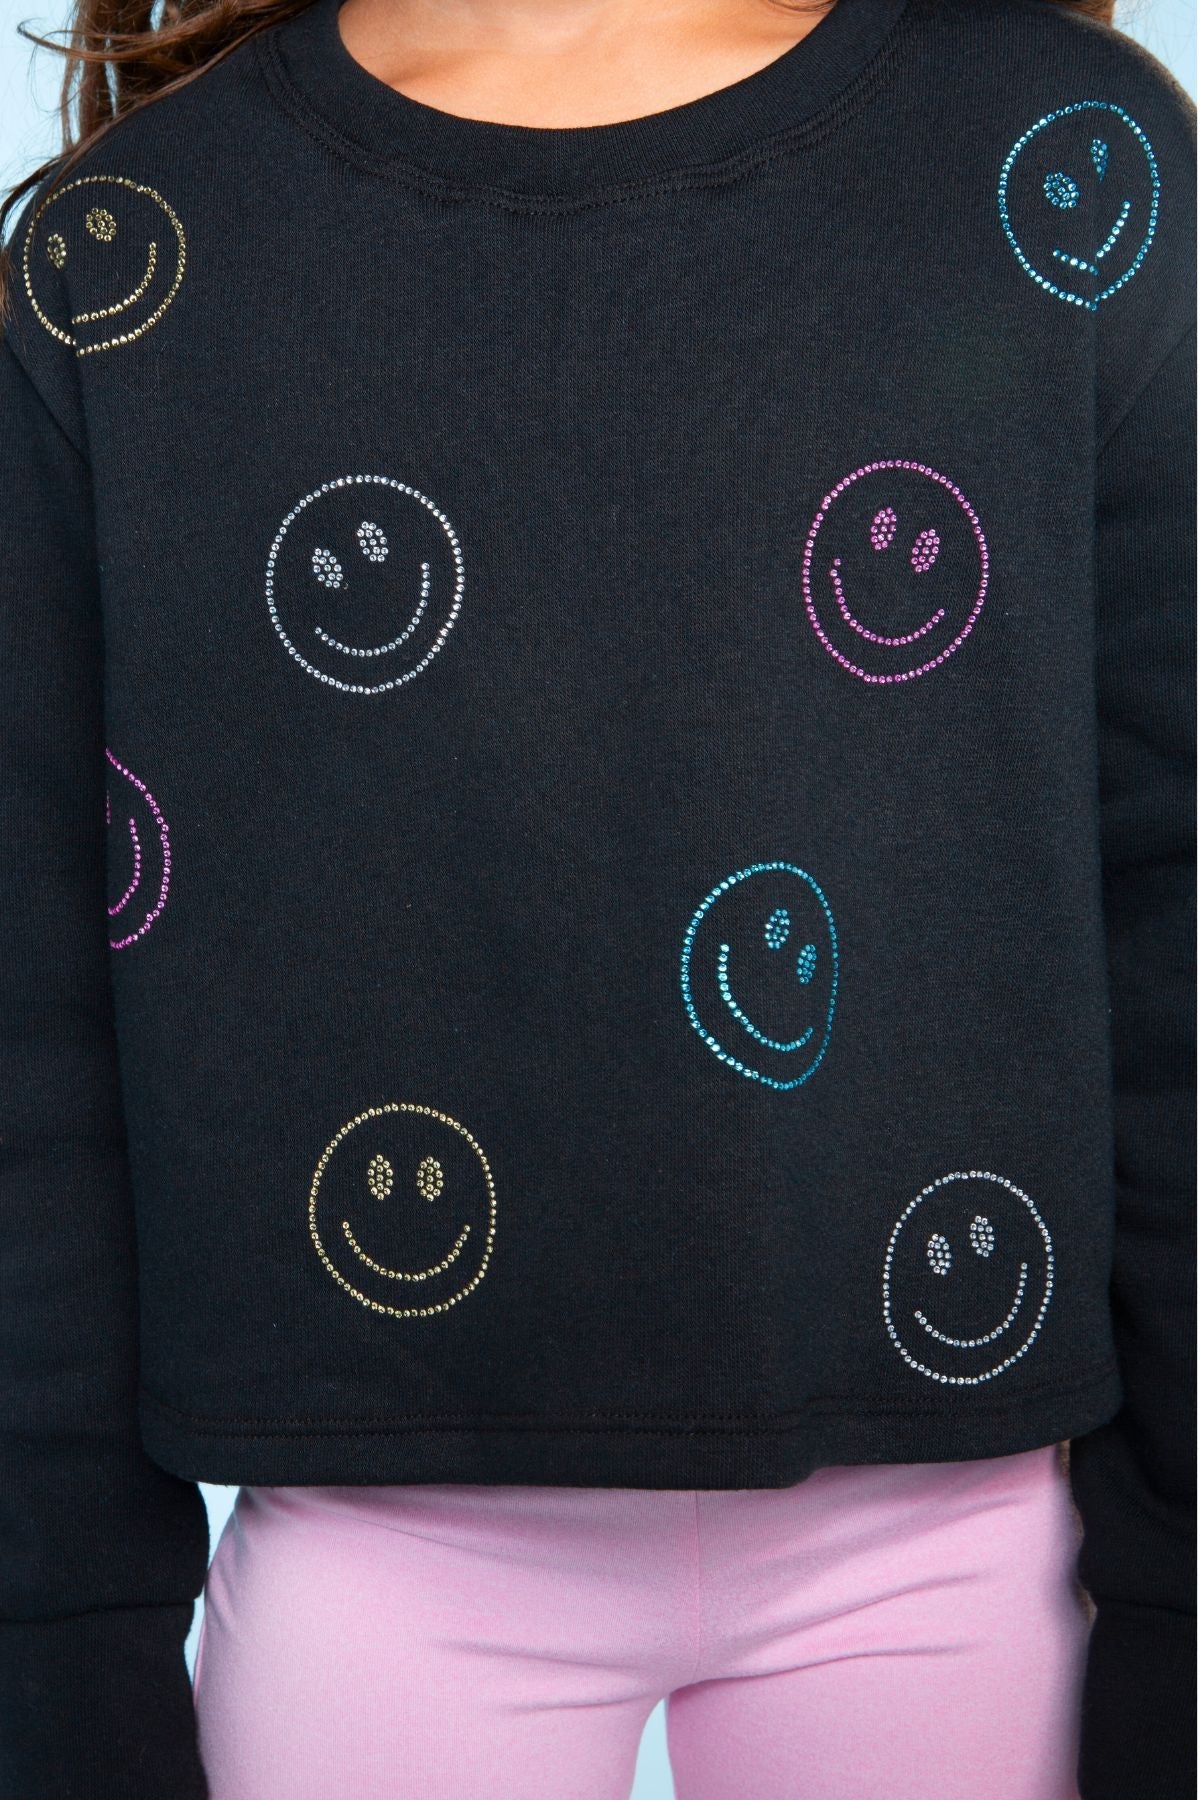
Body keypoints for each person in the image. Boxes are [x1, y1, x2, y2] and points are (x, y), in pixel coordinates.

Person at [0, 0, 1193, 1794]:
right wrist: (59, 1660)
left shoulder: (1067, 161)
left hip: (956, 1539)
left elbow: (1179, 904)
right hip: (384, 1558)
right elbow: (34, 1034)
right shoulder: (135, 253)